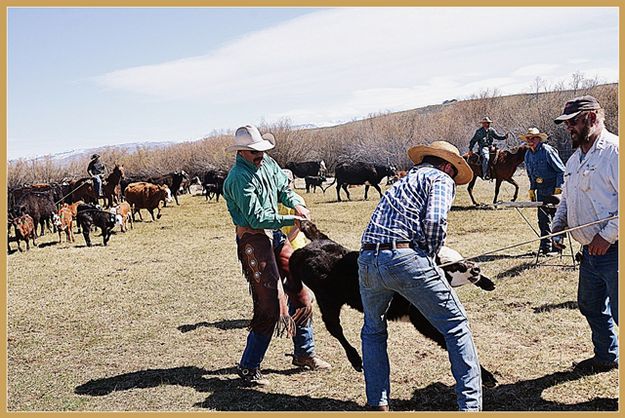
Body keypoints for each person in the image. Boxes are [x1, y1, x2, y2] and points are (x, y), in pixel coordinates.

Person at [358, 141, 482, 411]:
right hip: (404, 256)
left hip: (367, 258)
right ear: (448, 166)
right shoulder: (440, 178)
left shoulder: (402, 181)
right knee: (456, 326)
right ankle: (470, 408)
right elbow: (435, 220)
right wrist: (430, 254)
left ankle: (377, 402)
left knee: (373, 329)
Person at [222, 125, 330, 387]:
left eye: (260, 150)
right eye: (254, 151)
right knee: (270, 303)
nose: (260, 155)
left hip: (275, 236)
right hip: (254, 239)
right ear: (242, 152)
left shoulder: (268, 163)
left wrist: (296, 202)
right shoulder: (238, 178)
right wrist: (291, 218)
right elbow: (255, 217)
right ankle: (249, 367)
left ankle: (304, 353)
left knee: (301, 292)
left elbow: (284, 189)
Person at [551, 96, 619, 374]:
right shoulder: (573, 160)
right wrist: (558, 224)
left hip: (615, 251)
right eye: (567, 124)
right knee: (590, 305)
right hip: (590, 253)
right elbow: (567, 198)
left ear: (591, 117)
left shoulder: (614, 151)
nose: (569, 128)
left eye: (573, 122)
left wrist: (607, 236)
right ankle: (606, 356)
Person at [520, 127, 565, 255]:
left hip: (553, 188)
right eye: (528, 138)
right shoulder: (528, 154)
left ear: (539, 139)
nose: (530, 141)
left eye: (533, 138)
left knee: (557, 218)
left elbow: (561, 170)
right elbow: (531, 174)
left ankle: (558, 248)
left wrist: (558, 188)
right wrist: (532, 188)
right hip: (540, 189)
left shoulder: (547, 151)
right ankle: (545, 247)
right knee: (543, 219)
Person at [279, 169, 309, 250]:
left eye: (288, 182)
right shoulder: (272, 199)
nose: (285, 184)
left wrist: (286, 241)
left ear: (292, 183)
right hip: (277, 241)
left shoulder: (298, 200)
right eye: (281, 182)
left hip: (295, 242)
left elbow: (299, 225)